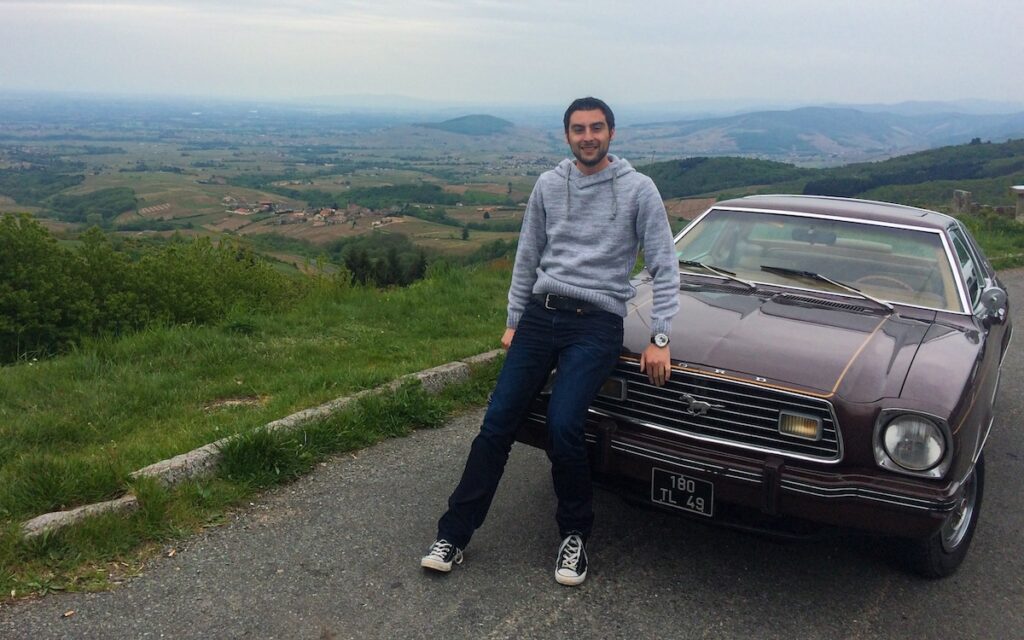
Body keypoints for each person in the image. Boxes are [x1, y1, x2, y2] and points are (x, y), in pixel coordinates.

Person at [421, 97, 680, 586]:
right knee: (498, 422)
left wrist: (660, 335)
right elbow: (528, 255)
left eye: (596, 128)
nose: (588, 136)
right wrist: (514, 318)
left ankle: (574, 536)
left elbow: (665, 267)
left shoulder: (638, 190)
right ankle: (453, 535)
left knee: (563, 424)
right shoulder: (547, 185)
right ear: (566, 136)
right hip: (542, 317)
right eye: (579, 129)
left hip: (597, 322)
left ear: (611, 133)